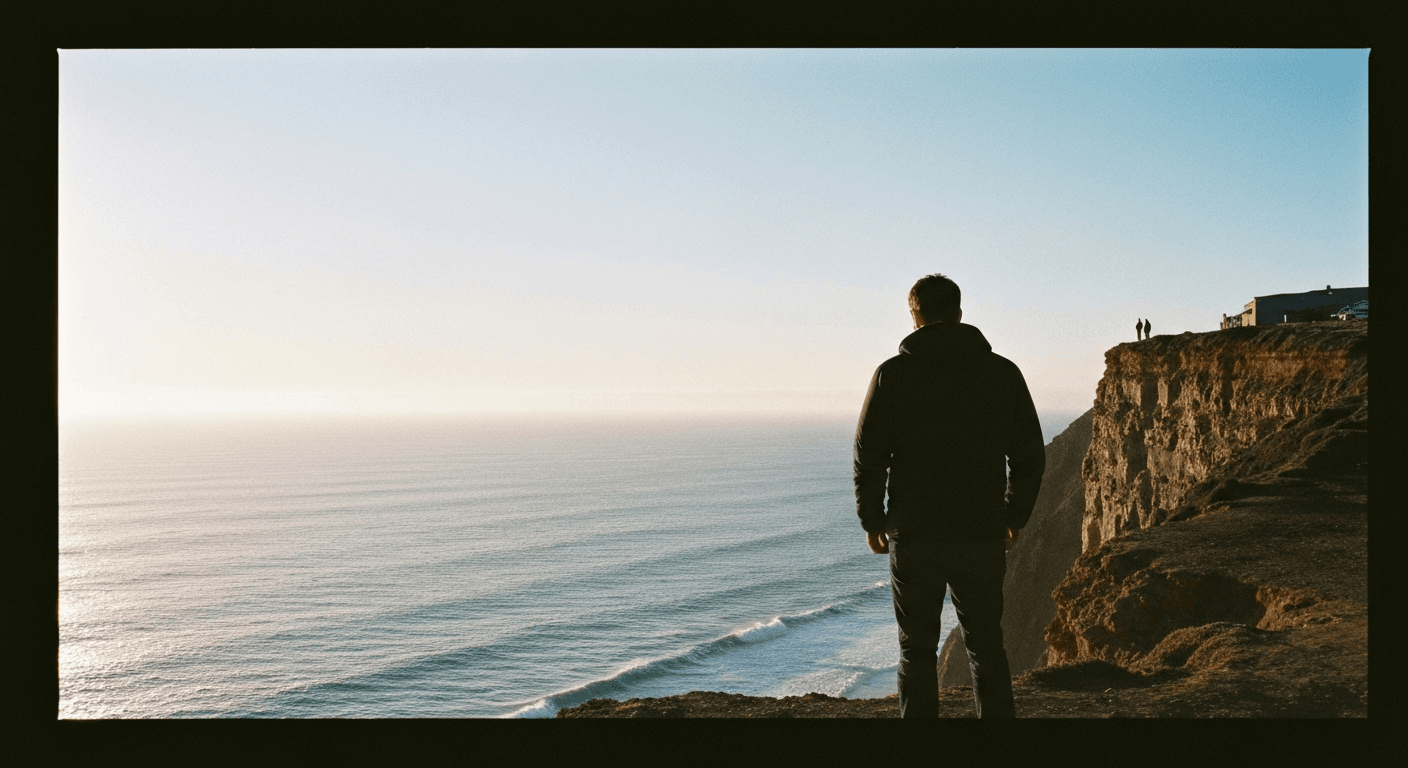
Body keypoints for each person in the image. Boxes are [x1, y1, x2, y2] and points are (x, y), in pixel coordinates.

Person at [853, 273, 1045, 719]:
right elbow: (1029, 453)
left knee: (916, 650)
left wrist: (873, 519)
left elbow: (869, 455)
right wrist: (1014, 513)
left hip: (914, 532)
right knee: (985, 646)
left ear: (914, 315)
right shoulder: (1002, 372)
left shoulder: (892, 375)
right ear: (959, 313)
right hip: (980, 530)